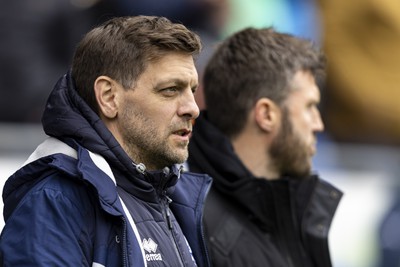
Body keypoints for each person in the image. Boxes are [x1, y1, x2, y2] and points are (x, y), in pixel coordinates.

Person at [0, 15, 212, 267]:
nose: (192, 108)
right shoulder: (55, 203)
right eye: (170, 90)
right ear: (109, 97)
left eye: (192, 89)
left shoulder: (175, 199)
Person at [187, 27, 342, 267]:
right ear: (266, 114)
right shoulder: (190, 228)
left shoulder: (295, 213)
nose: (318, 124)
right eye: (310, 107)